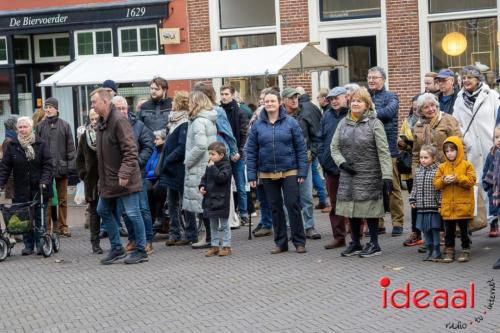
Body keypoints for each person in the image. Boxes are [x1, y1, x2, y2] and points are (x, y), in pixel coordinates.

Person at [331, 87, 392, 258]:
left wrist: (387, 175)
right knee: (352, 209)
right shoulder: (343, 123)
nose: (356, 103)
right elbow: (334, 147)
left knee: (369, 209)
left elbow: (384, 151)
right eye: (354, 100)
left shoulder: (374, 123)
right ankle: (356, 243)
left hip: (369, 173)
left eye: (360, 101)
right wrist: (342, 163)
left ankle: (374, 243)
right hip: (348, 174)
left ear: (367, 105)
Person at [246, 89, 308, 254]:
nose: (269, 104)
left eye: (272, 101)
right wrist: (251, 174)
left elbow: (301, 148)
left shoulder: (291, 122)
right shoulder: (257, 126)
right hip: (266, 173)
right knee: (275, 208)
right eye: (267, 102)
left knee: (292, 205)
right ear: (263, 104)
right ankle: (280, 242)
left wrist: (302, 171)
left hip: (290, 170)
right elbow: (251, 151)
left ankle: (299, 241)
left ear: (279, 102)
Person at [91, 88, 148, 265]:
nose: (92, 105)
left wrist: (124, 173)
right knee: (102, 210)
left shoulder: (119, 120)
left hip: (125, 179)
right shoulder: (102, 122)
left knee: (132, 213)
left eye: (94, 102)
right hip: (109, 180)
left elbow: (131, 150)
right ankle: (117, 248)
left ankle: (141, 250)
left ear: (105, 102)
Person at [408, 93, 461, 250]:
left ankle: (448, 239)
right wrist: (415, 173)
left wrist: (456, 169)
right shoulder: (417, 126)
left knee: (445, 206)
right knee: (428, 207)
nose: (430, 109)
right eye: (426, 107)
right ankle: (431, 239)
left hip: (446, 170)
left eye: (433, 106)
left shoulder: (448, 120)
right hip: (425, 172)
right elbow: (416, 153)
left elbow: (459, 145)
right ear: (420, 110)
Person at [0, 117, 52, 255]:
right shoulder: (12, 146)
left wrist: (44, 181)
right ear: (17, 129)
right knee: (24, 218)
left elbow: (48, 165)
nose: (23, 130)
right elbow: (5, 167)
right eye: (20, 127)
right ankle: (28, 245)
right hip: (21, 188)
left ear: (31, 128)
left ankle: (41, 243)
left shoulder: (41, 144)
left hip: (39, 188)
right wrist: (1, 183)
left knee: (40, 217)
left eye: (25, 127)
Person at [113, 95, 155, 255]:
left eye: (124, 108)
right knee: (124, 209)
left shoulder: (139, 125)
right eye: (119, 109)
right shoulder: (111, 126)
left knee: (142, 208)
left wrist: (137, 163)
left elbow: (148, 146)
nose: (122, 111)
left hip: (138, 173)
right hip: (118, 174)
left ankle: (147, 241)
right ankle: (132, 239)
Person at [367, 66, 404, 237]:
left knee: (393, 187)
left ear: (383, 80)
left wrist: (369, 112)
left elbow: (389, 113)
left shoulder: (391, 96)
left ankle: (398, 223)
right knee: (374, 188)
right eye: (369, 77)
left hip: (389, 150)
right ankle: (378, 223)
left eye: (375, 77)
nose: (371, 80)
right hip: (369, 150)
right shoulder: (365, 96)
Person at [282, 87, 321, 239]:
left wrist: (313, 153)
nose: (294, 100)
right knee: (288, 198)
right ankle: (290, 227)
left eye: (296, 97)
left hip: (304, 161)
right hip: (285, 163)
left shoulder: (305, 114)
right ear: (283, 100)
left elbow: (316, 135)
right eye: (290, 98)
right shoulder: (277, 116)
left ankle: (309, 226)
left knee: (306, 196)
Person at [183, 90, 218, 249]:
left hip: (199, 167)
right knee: (205, 203)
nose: (188, 104)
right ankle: (211, 236)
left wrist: (187, 161)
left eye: (190, 102)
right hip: (206, 165)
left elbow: (200, 146)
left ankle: (209, 237)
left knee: (202, 204)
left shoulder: (198, 122)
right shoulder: (209, 120)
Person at [36, 97, 76, 237]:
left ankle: (63, 226)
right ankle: (48, 227)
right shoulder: (40, 126)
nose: (47, 109)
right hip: (46, 170)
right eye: (46, 107)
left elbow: (71, 148)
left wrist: (71, 166)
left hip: (61, 168)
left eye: (50, 107)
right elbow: (37, 148)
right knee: (46, 200)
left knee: (63, 199)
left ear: (56, 109)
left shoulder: (65, 125)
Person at [453, 65, 500, 182]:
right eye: (464, 78)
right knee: (474, 182)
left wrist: (497, 138)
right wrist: (465, 139)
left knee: (491, 182)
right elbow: (456, 123)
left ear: (478, 79)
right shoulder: (459, 99)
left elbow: (498, 119)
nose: (466, 80)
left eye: (470, 77)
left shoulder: (492, 95)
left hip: (491, 144)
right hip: (471, 148)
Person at [434, 136, 476, 263]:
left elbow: (471, 181)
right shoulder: (442, 167)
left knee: (464, 230)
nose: (449, 153)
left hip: (463, 205)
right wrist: (443, 180)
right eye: (447, 151)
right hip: (448, 206)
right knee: (449, 230)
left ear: (458, 150)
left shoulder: (467, 165)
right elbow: (436, 183)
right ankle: (449, 249)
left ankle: (465, 249)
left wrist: (457, 178)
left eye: (452, 150)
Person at [318, 87, 349, 250]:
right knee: (335, 203)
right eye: (332, 99)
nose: (335, 101)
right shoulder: (326, 116)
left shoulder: (352, 114)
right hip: (330, 166)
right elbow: (320, 138)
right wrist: (323, 157)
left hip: (350, 166)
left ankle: (358, 235)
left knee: (354, 202)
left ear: (346, 98)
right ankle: (339, 237)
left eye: (338, 98)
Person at [161, 91, 190, 246]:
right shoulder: (172, 121)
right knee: (171, 202)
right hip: (171, 168)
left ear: (179, 103)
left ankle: (188, 232)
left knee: (185, 202)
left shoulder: (184, 122)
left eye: (174, 102)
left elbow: (182, 147)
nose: (171, 104)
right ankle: (174, 233)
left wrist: (168, 159)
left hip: (179, 167)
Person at [219, 85, 249, 225]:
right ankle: (228, 213)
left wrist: (239, 152)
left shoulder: (241, 113)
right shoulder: (217, 112)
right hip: (223, 154)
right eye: (222, 94)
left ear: (232, 95)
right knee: (224, 186)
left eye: (226, 94)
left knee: (241, 185)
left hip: (238, 154)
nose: (224, 97)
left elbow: (244, 135)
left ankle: (243, 213)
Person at [296, 86, 329, 213]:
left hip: (309, 148)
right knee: (315, 172)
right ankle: (322, 199)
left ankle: (322, 198)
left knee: (313, 174)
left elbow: (312, 130)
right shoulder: (314, 107)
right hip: (314, 146)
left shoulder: (302, 108)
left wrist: (313, 150)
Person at [76, 109, 102, 254]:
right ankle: (95, 243)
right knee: (94, 212)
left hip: (106, 179)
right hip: (91, 180)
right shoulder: (85, 136)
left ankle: (115, 241)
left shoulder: (106, 133)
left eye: (96, 118)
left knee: (109, 210)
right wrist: (83, 174)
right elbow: (78, 158)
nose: (94, 121)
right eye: (91, 119)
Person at [200, 141, 233, 257]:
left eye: (213, 154)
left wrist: (213, 168)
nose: (210, 157)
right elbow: (204, 178)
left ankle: (227, 246)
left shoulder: (226, 166)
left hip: (221, 200)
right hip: (210, 199)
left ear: (221, 155)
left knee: (224, 224)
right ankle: (214, 246)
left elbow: (221, 178)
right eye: (209, 154)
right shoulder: (210, 165)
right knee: (212, 224)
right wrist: (202, 186)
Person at [409, 145, 442, 261]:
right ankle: (429, 249)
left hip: (433, 207)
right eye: (421, 157)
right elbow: (415, 187)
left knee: (434, 229)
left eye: (426, 157)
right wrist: (412, 199)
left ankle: (437, 251)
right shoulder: (418, 170)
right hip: (422, 208)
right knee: (425, 230)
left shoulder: (438, 171)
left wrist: (440, 204)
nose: (422, 160)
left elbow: (441, 190)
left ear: (433, 158)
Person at [145, 129, 167, 235]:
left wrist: (151, 174)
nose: (155, 141)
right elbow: (148, 166)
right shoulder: (154, 151)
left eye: (157, 139)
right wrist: (149, 174)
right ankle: (151, 219)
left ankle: (159, 217)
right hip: (151, 177)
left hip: (161, 177)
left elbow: (161, 168)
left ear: (164, 140)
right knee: (147, 189)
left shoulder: (165, 151)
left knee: (157, 190)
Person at [482, 125, 500, 237]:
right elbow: (486, 170)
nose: (499, 140)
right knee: (494, 212)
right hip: (494, 190)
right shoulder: (491, 154)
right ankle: (494, 224)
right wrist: (486, 184)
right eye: (496, 137)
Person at [1, 115, 18, 201]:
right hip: (13, 180)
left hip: (14, 180)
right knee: (17, 207)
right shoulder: (9, 141)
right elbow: (8, 163)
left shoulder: (10, 138)